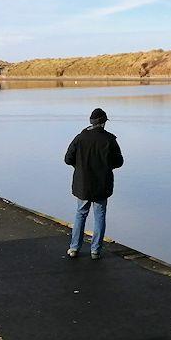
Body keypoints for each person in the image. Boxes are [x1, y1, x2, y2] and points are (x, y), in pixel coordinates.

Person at [64, 108, 123, 260]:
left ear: (91, 122)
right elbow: (119, 162)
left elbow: (68, 159)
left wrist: (80, 167)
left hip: (83, 184)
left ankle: (74, 248)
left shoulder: (80, 138)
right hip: (102, 185)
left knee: (80, 214)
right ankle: (95, 250)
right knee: (99, 216)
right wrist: (107, 165)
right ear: (103, 123)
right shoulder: (110, 139)